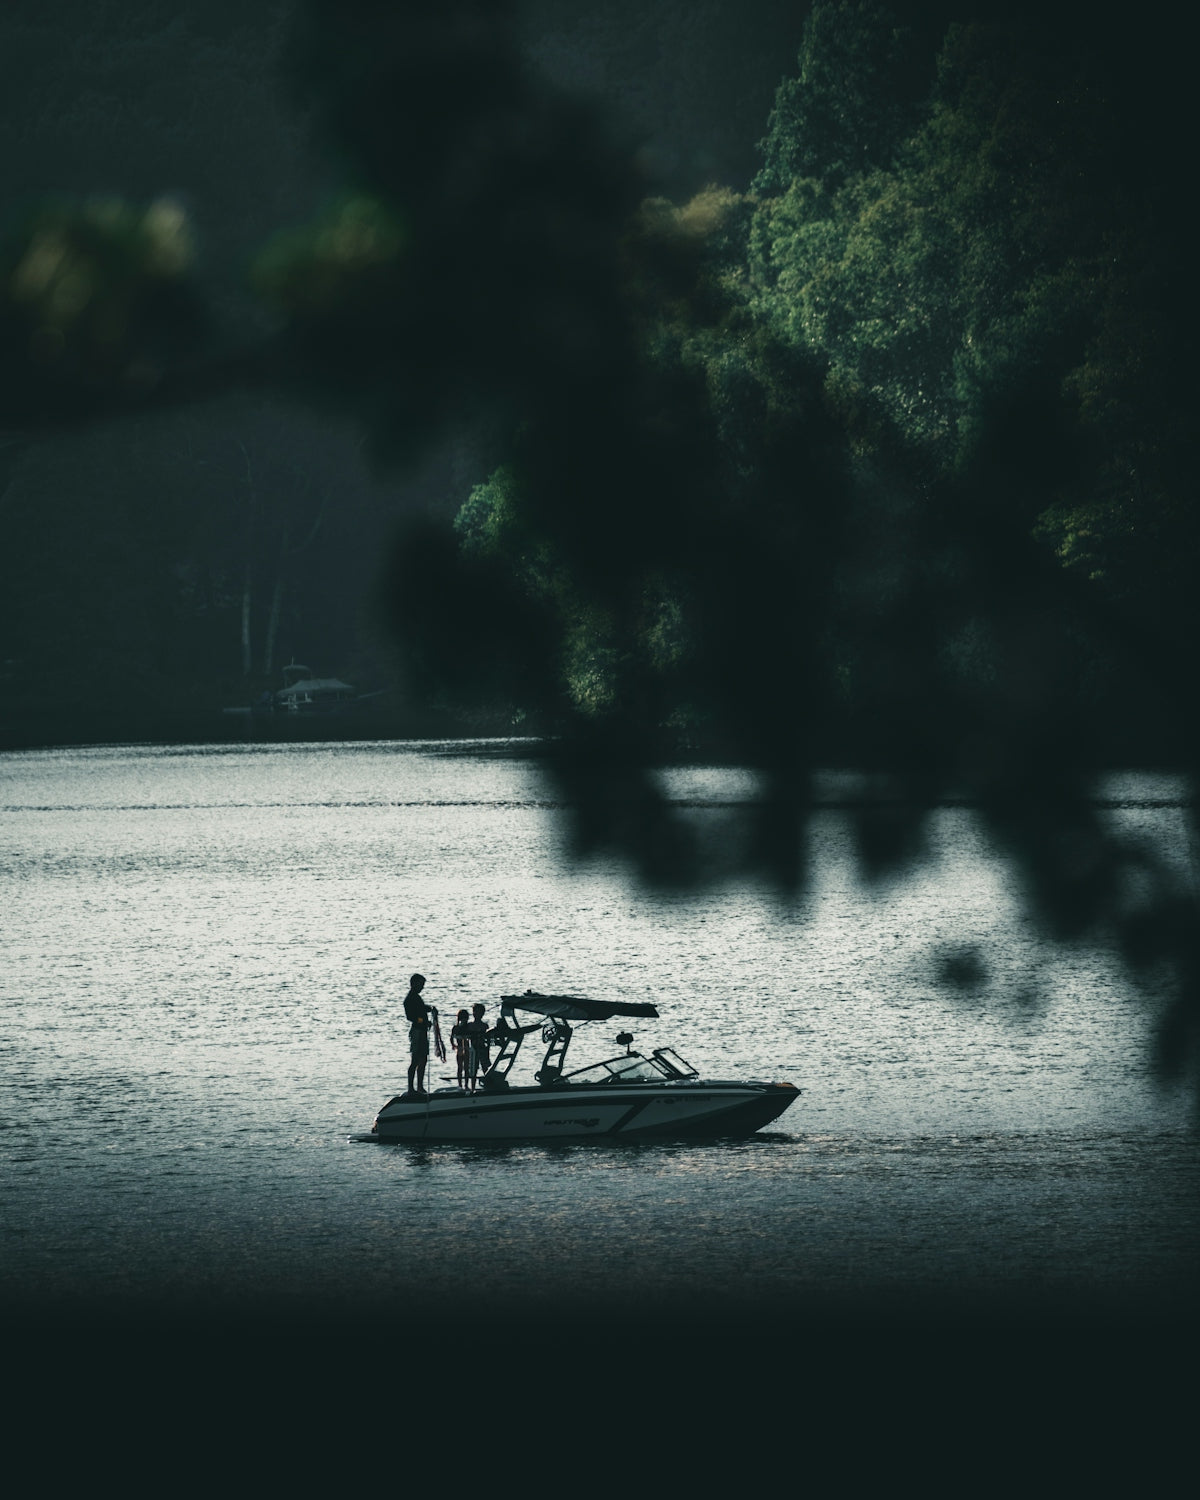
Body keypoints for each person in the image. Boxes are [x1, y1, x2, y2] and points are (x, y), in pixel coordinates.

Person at [404, 973, 433, 1097]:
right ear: (414, 984)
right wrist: (424, 1021)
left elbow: (422, 1008)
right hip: (417, 1031)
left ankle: (420, 1087)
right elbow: (411, 1017)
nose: (422, 987)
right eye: (421, 984)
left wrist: (431, 1008)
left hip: (422, 1031)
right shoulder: (409, 999)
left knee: (423, 1059)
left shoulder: (416, 997)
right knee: (415, 1059)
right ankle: (411, 1088)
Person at [465, 1002, 490, 1092]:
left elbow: (488, 1040)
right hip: (473, 1049)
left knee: (485, 1068)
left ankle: (488, 1085)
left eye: (479, 1012)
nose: (476, 1014)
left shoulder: (485, 1026)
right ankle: (472, 1088)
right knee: (473, 1069)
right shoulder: (470, 1025)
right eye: (475, 1012)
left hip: (483, 1049)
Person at [450, 1008, 471, 1090]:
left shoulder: (468, 1027)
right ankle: (461, 1085)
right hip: (460, 1049)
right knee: (461, 1068)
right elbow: (451, 1038)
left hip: (466, 1049)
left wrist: (453, 1044)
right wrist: (453, 1045)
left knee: (465, 1068)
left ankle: (465, 1084)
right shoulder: (456, 1028)